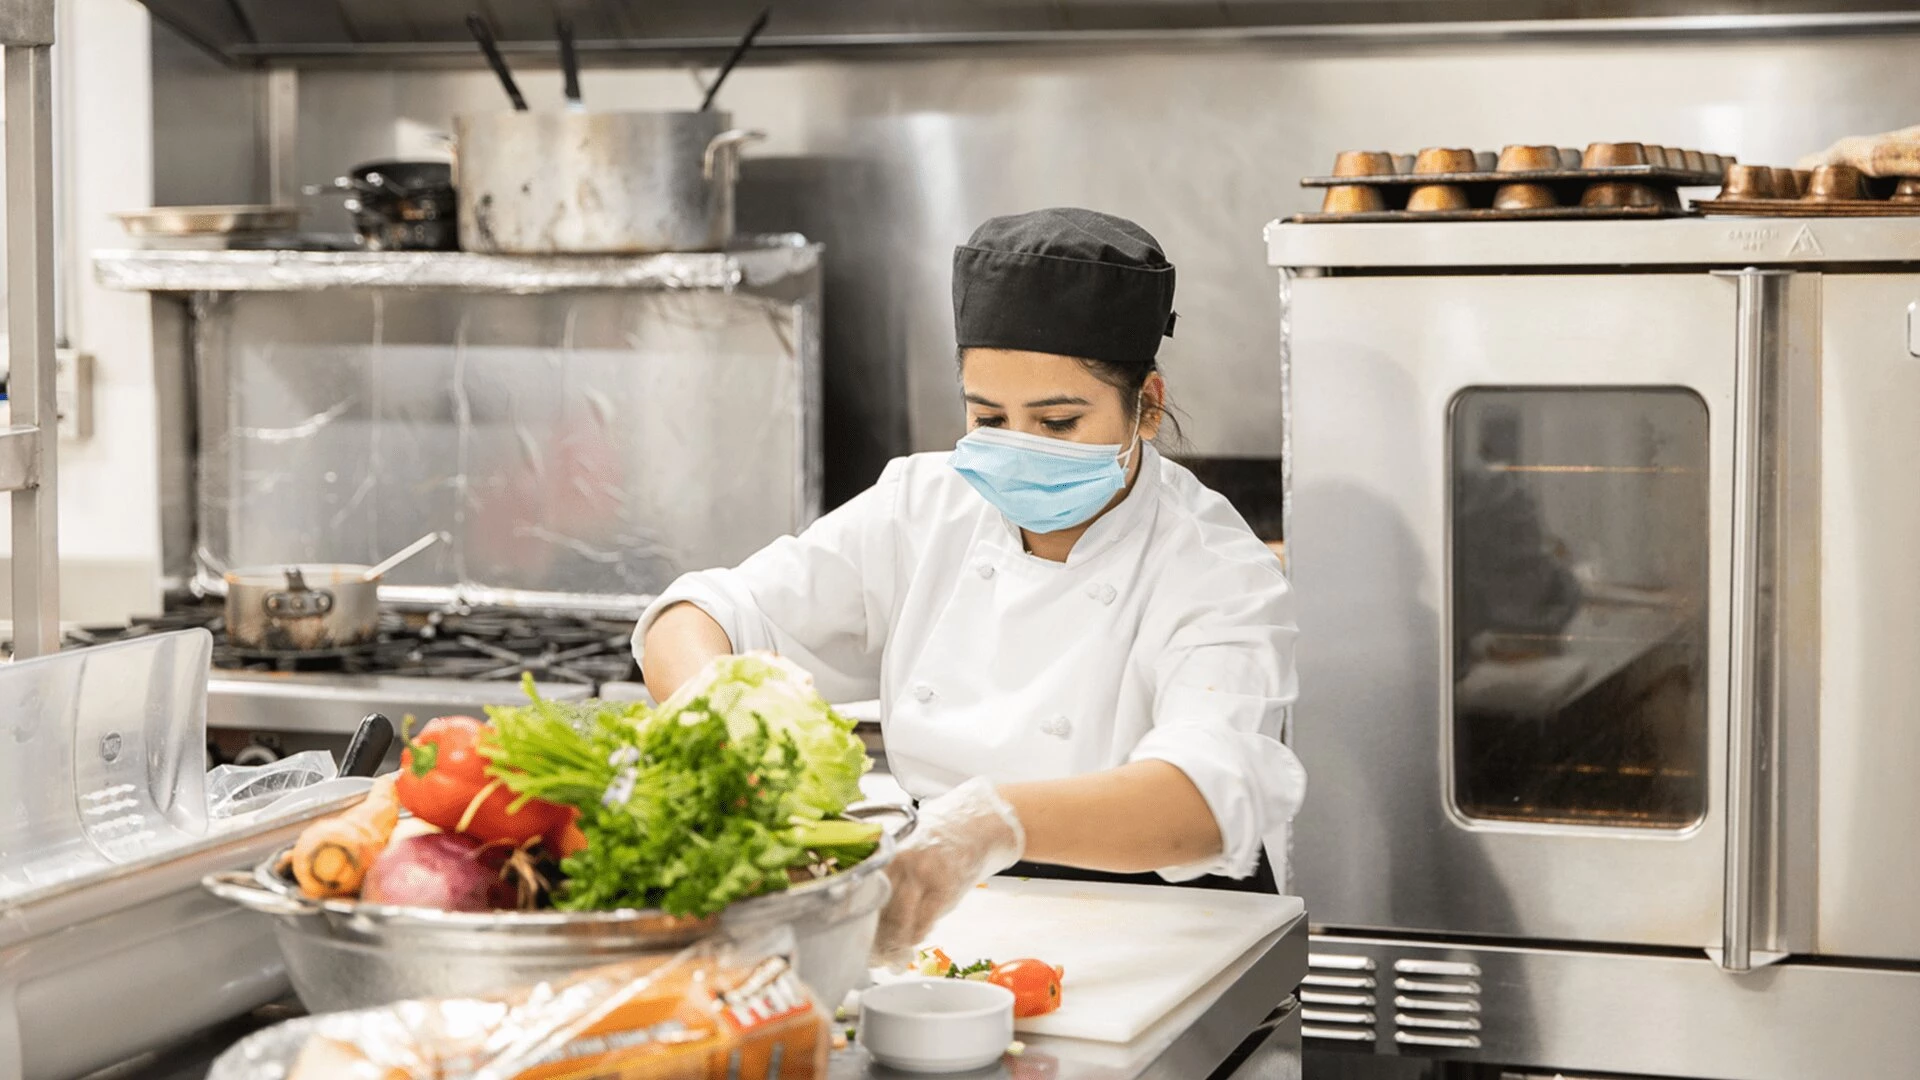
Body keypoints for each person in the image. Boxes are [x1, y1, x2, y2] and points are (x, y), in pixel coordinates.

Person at [635, 207, 1305, 965]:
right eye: (988, 416)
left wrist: (991, 821)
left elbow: (1209, 797)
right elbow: (705, 612)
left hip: (1157, 938)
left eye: (1056, 423)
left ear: (1146, 406)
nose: (1018, 447)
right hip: (951, 923)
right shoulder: (924, 505)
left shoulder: (1216, 569)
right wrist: (712, 719)